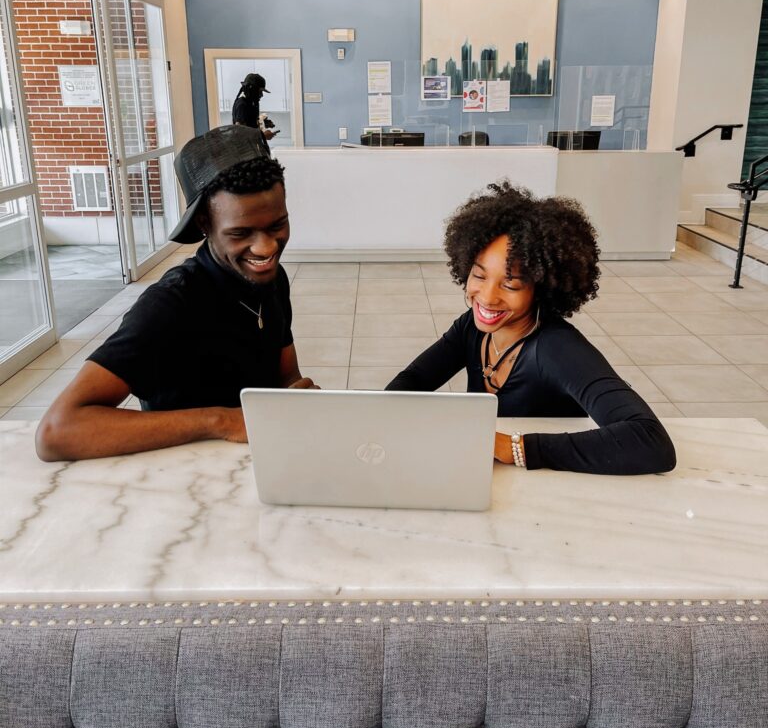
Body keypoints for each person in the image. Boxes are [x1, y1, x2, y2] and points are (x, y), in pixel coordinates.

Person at [36, 125, 316, 462]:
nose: (266, 247)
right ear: (203, 224)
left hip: (259, 463)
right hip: (184, 480)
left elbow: (287, 376)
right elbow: (57, 432)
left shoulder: (271, 280)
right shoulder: (170, 304)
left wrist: (297, 399)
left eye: (277, 225)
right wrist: (221, 420)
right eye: (241, 233)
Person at [386, 182, 676, 476]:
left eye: (510, 285)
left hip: (550, 492)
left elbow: (651, 442)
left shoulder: (556, 348)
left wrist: (517, 448)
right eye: (479, 276)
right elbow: (415, 379)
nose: (487, 297)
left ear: (540, 288)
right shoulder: (471, 329)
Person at [232, 72, 275, 140]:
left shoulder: (250, 103)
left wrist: (263, 124)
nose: (261, 95)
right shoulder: (242, 105)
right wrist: (263, 136)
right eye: (260, 91)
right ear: (252, 89)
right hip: (246, 150)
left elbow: (249, 126)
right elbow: (240, 134)